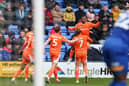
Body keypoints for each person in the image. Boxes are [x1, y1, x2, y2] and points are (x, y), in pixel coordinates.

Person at [102, 3, 129, 86]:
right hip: (118, 47)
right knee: (121, 80)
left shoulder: (124, 14)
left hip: (108, 44)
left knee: (118, 79)